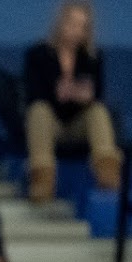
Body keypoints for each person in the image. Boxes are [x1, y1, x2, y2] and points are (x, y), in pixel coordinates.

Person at [23, 1, 122, 202]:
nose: (76, 31)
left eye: (82, 26)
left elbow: (97, 94)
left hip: (78, 122)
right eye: (72, 24)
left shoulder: (93, 57)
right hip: (50, 121)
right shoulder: (38, 54)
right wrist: (58, 93)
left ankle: (108, 173)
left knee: (98, 111)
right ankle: (42, 179)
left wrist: (82, 97)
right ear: (60, 23)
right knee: (39, 111)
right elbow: (33, 94)